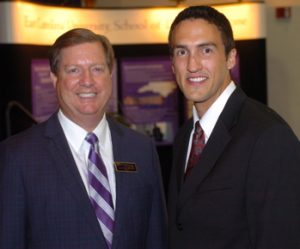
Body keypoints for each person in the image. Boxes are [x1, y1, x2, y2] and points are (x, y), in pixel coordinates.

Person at [0, 28, 167, 249]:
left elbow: (157, 239)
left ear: (110, 74)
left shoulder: (141, 149)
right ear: (54, 78)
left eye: (97, 69)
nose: (87, 81)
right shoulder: (17, 156)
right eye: (74, 70)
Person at [167, 5, 300, 249]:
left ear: (231, 58)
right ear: (173, 64)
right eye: (182, 52)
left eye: (206, 50)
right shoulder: (186, 135)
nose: (192, 65)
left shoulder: (268, 137)